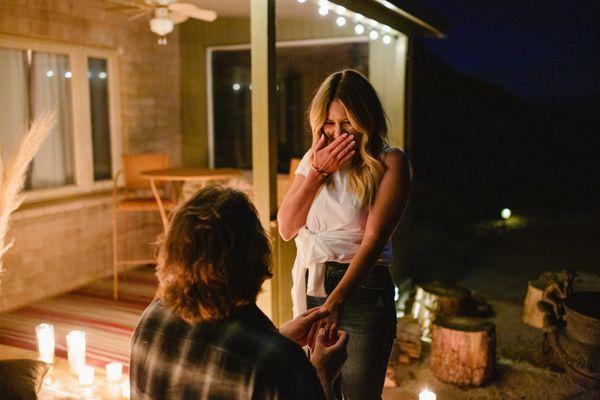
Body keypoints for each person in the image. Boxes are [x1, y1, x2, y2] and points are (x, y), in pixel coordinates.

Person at [130, 187, 348, 400]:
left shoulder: (151, 318)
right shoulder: (278, 362)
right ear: (255, 257)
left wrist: (278, 337)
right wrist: (322, 373)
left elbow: (214, 355)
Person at [278, 69, 412, 399]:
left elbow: (374, 240)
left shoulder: (389, 162)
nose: (337, 133)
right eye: (329, 123)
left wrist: (335, 302)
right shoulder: (314, 159)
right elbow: (286, 228)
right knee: (315, 389)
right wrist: (317, 173)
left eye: (347, 123)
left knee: (358, 394)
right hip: (313, 279)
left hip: (362, 288)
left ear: (366, 119)